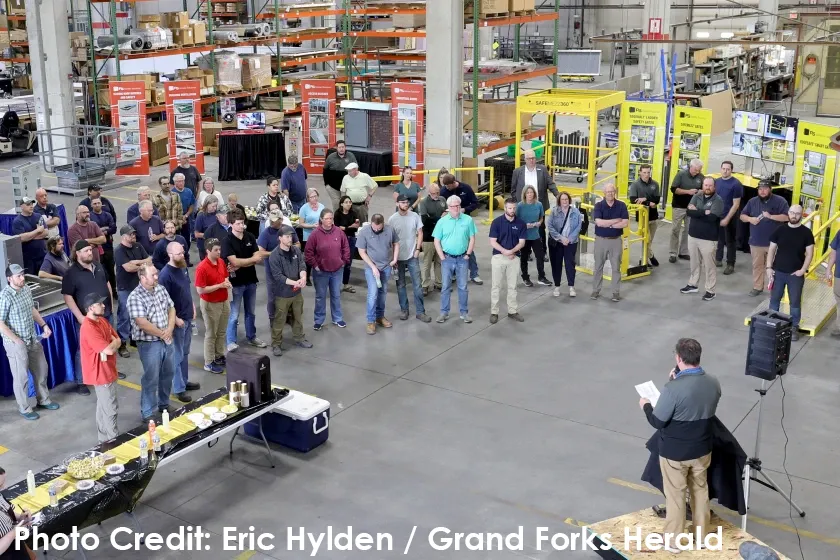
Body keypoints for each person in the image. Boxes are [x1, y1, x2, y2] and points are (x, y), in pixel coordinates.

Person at [640, 338, 721, 552]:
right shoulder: (713, 382)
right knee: (700, 490)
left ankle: (673, 541)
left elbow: (658, 420)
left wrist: (646, 405)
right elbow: (696, 402)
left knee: (676, 496)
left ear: (678, 358)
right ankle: (701, 535)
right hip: (702, 449)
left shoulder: (673, 389)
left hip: (675, 453)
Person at [0, 264, 57, 420]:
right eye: (18, 276)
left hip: (32, 337)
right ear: (9, 278)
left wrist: (43, 325)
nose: (22, 278)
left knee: (41, 368)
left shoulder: (25, 289)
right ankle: (24, 408)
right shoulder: (5, 296)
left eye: (23, 275)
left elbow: (32, 309)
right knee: (21, 377)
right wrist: (16, 340)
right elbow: (0, 323)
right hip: (15, 343)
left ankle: (43, 400)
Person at [62, 240, 116, 393]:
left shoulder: (98, 266)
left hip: (105, 315)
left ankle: (107, 373)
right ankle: (82, 380)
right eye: (85, 251)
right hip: (88, 320)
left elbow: (107, 285)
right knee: (84, 350)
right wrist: (80, 317)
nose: (89, 253)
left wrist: (110, 306)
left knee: (107, 345)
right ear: (77, 253)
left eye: (90, 250)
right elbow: (68, 297)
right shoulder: (71, 273)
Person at [127, 262, 178, 421]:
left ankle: (164, 405)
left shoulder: (160, 289)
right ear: (142, 278)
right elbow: (142, 323)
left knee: (167, 374)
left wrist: (169, 329)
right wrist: (163, 334)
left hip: (166, 339)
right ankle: (148, 412)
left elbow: (171, 308)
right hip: (150, 344)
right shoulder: (135, 297)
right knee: (151, 377)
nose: (157, 277)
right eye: (153, 275)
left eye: (156, 274)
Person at [223, 210, 269, 351]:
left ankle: (251, 336)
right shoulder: (227, 241)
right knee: (234, 314)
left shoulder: (249, 236)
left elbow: (258, 257)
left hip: (250, 280)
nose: (241, 226)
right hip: (235, 283)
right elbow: (234, 262)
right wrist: (250, 261)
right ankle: (231, 341)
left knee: (251, 312)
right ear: (230, 224)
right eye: (238, 223)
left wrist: (243, 263)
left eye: (242, 223)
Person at [158, 241, 199, 401]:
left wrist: (193, 307)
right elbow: (163, 302)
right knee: (176, 355)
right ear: (170, 255)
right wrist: (175, 319)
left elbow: (187, 290)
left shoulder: (182, 268)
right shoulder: (165, 275)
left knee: (185, 353)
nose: (183, 256)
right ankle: (178, 388)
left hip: (188, 317)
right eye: (179, 254)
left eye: (183, 252)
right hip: (177, 321)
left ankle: (184, 380)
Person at [767, 205, 813, 341]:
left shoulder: (806, 233)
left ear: (801, 215)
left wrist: (803, 270)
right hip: (778, 273)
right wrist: (769, 267)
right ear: (788, 213)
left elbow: (810, 253)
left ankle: (794, 327)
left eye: (797, 214)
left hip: (795, 275)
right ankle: (772, 324)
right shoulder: (780, 230)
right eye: (792, 212)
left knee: (795, 303)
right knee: (774, 300)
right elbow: (771, 250)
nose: (794, 215)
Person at [79, 293, 120, 442]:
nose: (104, 305)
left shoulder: (102, 321)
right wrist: (113, 343)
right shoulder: (88, 327)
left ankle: (103, 441)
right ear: (90, 308)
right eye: (99, 304)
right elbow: (109, 350)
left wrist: (113, 343)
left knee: (103, 407)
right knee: (110, 409)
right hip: (101, 374)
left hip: (108, 369)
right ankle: (114, 442)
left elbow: (118, 340)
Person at [269, 225, 313, 356]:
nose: (290, 239)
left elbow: (302, 264)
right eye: (287, 237)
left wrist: (303, 276)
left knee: (298, 316)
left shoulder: (296, 250)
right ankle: (276, 343)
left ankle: (299, 338)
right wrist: (296, 282)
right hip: (282, 294)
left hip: (296, 292)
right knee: (279, 319)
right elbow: (278, 276)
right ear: (280, 238)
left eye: (291, 236)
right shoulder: (275, 255)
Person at [740, 180, 789, 297]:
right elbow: (742, 216)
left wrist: (771, 216)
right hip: (756, 242)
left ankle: (776, 289)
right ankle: (757, 287)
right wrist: (750, 219)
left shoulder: (780, 201)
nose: (762, 191)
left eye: (765, 188)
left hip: (774, 243)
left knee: (775, 267)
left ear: (770, 189)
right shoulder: (752, 201)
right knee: (757, 265)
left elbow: (787, 217)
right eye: (760, 189)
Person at [433, 195, 477, 323]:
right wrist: (442, 257)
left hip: (463, 259)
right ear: (448, 208)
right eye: (453, 206)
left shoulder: (468, 220)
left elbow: (472, 238)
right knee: (445, 287)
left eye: (458, 205)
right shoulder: (442, 222)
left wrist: (468, 254)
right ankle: (444, 312)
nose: (456, 208)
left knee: (463, 287)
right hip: (447, 258)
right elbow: (436, 240)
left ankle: (464, 313)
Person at [305, 208, 350, 330]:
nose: (330, 221)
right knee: (320, 296)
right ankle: (319, 320)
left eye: (331, 218)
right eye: (327, 218)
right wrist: (315, 266)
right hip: (321, 272)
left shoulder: (339, 232)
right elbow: (308, 252)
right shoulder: (315, 234)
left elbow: (346, 247)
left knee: (336, 295)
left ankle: (337, 318)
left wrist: (343, 262)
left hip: (337, 271)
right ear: (321, 220)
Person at [681, 177, 724, 301]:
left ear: (714, 187)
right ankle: (693, 284)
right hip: (693, 236)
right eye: (705, 185)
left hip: (708, 239)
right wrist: (704, 212)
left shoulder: (718, 200)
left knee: (709, 265)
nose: (707, 187)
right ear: (703, 185)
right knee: (694, 262)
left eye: (710, 185)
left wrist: (697, 211)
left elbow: (712, 218)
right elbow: (689, 212)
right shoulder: (697, 196)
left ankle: (710, 290)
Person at [389, 195, 429, 322]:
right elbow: (389, 240)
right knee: (400, 285)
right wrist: (393, 258)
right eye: (403, 202)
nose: (406, 204)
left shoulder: (414, 216)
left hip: (412, 256)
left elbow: (420, 233)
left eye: (407, 202)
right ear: (397, 204)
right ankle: (404, 310)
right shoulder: (392, 220)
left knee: (417, 284)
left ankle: (420, 312)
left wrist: (417, 249)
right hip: (398, 257)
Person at [511, 149, 560, 255]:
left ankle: (543, 252)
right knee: (524, 229)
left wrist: (558, 195)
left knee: (541, 229)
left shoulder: (542, 169)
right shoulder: (517, 172)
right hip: (523, 207)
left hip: (538, 206)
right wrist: (516, 205)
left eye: (533, 158)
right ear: (525, 159)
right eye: (529, 158)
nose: (532, 160)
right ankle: (526, 252)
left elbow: (550, 183)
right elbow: (513, 190)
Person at [357, 214, 399, 335]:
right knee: (373, 294)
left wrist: (395, 259)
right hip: (371, 268)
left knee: (383, 292)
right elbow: (361, 251)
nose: (376, 230)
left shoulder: (390, 230)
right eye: (374, 228)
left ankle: (379, 317)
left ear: (383, 224)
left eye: (379, 228)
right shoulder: (364, 232)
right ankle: (371, 321)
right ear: (371, 224)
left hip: (386, 267)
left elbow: (396, 244)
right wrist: (372, 266)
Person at [258, 208, 300, 328]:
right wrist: (277, 253)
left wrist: (290, 248)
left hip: (289, 269)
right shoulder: (266, 233)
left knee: (290, 294)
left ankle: (288, 316)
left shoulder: (289, 230)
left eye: (275, 220)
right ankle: (272, 318)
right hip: (272, 271)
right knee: (272, 296)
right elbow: (261, 252)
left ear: (281, 220)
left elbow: (297, 244)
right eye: (271, 220)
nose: (272, 223)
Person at [194, 238, 231, 374]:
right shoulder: (202, 268)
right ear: (208, 250)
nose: (219, 252)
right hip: (210, 304)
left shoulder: (221, 262)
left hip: (223, 301)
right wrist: (220, 286)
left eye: (220, 249)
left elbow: (225, 276)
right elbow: (200, 290)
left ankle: (219, 355)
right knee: (211, 333)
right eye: (216, 250)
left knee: (221, 331)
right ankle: (209, 362)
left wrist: (226, 283)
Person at [488, 198, 527, 324]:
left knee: (513, 286)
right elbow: (493, 241)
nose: (512, 210)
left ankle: (512, 311)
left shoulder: (521, 223)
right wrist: (505, 251)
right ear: (504, 208)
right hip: (499, 257)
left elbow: (522, 243)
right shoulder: (496, 222)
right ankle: (494, 312)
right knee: (496, 286)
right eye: (510, 208)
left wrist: (512, 252)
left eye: (514, 208)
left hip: (514, 258)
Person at [114, 225, 149, 357]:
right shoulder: (119, 251)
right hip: (125, 288)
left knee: (139, 314)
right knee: (124, 315)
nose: (133, 236)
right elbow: (128, 268)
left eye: (134, 234)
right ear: (123, 237)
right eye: (130, 235)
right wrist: (142, 265)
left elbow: (149, 260)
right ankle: (122, 342)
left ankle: (134, 338)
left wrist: (137, 262)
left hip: (139, 286)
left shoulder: (138, 246)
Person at [591, 184, 629, 302]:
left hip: (616, 241)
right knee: (598, 267)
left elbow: (625, 223)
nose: (610, 193)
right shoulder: (598, 205)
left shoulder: (621, 205)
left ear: (615, 192)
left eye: (612, 191)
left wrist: (608, 224)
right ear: (604, 193)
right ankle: (596, 290)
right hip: (600, 240)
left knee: (616, 268)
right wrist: (615, 222)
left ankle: (615, 292)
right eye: (608, 192)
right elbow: (599, 223)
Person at [546, 192, 582, 298]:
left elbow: (578, 226)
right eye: (562, 199)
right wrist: (561, 238)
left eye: (566, 199)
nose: (565, 201)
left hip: (570, 243)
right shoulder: (554, 211)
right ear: (559, 201)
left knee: (570, 264)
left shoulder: (575, 212)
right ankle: (557, 286)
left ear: (569, 200)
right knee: (556, 264)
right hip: (557, 242)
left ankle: (571, 286)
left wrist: (569, 239)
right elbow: (550, 226)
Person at [669, 159, 704, 263]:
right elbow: (674, 189)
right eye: (696, 170)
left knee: (688, 230)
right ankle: (673, 253)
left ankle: (683, 252)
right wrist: (688, 192)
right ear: (691, 167)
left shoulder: (701, 177)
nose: (697, 172)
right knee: (675, 229)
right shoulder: (681, 174)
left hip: (692, 208)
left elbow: (704, 189)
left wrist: (700, 191)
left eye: (699, 170)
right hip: (679, 206)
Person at [628, 164, 660, 266]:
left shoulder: (655, 184)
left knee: (649, 240)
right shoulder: (635, 185)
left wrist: (645, 199)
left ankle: (649, 256)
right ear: (640, 172)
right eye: (644, 172)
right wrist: (648, 203)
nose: (646, 175)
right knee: (646, 239)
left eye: (648, 172)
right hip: (642, 217)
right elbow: (633, 200)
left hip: (653, 216)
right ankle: (644, 260)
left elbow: (657, 200)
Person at [0, 465, 36, 560]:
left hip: (16, 547)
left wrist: (20, 517)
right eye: (0, 486)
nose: (4, 488)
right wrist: (13, 533)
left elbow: (5, 511)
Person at [516, 185, 549, 287]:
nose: (530, 194)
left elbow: (541, 217)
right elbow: (516, 220)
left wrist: (539, 223)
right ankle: (525, 277)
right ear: (524, 194)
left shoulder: (538, 205)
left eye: (532, 192)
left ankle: (541, 277)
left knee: (540, 256)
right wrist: (524, 225)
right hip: (524, 236)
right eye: (528, 193)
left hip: (535, 235)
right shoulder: (520, 206)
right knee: (524, 257)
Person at [714, 161, 743, 274]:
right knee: (719, 239)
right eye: (723, 168)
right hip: (718, 215)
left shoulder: (736, 184)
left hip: (730, 217)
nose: (725, 171)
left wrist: (727, 219)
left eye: (728, 169)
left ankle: (730, 264)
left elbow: (736, 204)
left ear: (731, 170)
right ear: (721, 169)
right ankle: (718, 259)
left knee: (730, 241)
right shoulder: (717, 182)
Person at [418, 183, 446, 294]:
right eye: (434, 193)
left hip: (441, 237)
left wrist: (436, 219)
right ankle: (425, 285)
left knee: (439, 262)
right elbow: (425, 220)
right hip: (428, 237)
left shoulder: (442, 199)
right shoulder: (424, 202)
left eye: (438, 192)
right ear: (429, 193)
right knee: (427, 262)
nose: (436, 195)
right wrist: (440, 218)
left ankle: (439, 283)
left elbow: (447, 214)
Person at [90, 197, 117, 297]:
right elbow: (92, 232)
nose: (97, 205)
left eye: (98, 203)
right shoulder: (90, 217)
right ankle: (103, 292)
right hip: (97, 248)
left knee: (111, 270)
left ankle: (114, 291)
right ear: (91, 205)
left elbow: (113, 228)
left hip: (108, 247)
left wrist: (100, 231)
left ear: (102, 204)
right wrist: (105, 229)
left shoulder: (107, 215)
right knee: (100, 271)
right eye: (95, 203)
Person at [13, 196, 48, 275]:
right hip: (29, 259)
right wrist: (38, 231)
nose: (31, 206)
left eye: (32, 203)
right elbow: (21, 238)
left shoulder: (38, 216)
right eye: (28, 204)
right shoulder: (18, 221)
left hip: (42, 255)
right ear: (21, 206)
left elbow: (46, 232)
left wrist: (29, 236)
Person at [299, 188, 325, 285]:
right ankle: (307, 276)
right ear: (308, 198)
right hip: (308, 236)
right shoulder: (304, 208)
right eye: (312, 197)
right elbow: (301, 224)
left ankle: (319, 274)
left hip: (320, 235)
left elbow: (325, 219)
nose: (314, 198)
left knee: (320, 255)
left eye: (315, 196)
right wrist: (312, 226)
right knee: (309, 257)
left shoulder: (322, 207)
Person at [334, 195, 360, 292]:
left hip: (351, 239)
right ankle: (336, 283)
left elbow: (356, 226)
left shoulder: (354, 213)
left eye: (350, 202)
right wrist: (349, 227)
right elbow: (337, 228)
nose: (349, 204)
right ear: (341, 204)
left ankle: (345, 284)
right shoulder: (337, 214)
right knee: (339, 261)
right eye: (346, 202)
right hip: (340, 240)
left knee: (348, 262)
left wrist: (345, 228)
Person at [323, 140, 357, 210]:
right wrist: (326, 184)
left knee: (346, 206)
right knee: (336, 205)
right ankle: (336, 220)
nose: (341, 149)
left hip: (347, 187)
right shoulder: (330, 157)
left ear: (345, 147)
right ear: (336, 148)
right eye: (339, 147)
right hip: (333, 188)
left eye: (343, 147)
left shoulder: (351, 156)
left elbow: (356, 168)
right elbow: (325, 170)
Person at [172, 173, 196, 266]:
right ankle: (177, 259)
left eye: (182, 181)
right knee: (176, 239)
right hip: (176, 221)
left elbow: (191, 204)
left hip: (186, 219)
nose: (181, 183)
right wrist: (179, 218)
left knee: (186, 240)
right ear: (175, 182)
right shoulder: (172, 193)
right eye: (179, 181)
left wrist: (186, 215)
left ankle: (186, 258)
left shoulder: (188, 191)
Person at [194, 195, 219, 261]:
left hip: (216, 245)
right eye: (213, 206)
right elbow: (196, 234)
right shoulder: (201, 216)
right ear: (207, 205)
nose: (215, 208)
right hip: (204, 246)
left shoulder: (217, 214)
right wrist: (210, 235)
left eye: (216, 206)